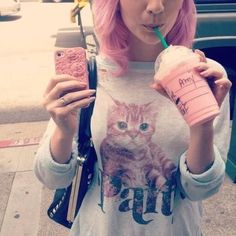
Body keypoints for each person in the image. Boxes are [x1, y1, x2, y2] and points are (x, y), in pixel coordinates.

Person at [34, 0, 232, 235]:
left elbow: (200, 191)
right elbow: (52, 178)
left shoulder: (205, 77)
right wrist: (64, 131)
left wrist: (201, 126)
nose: (156, 7)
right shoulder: (88, 76)